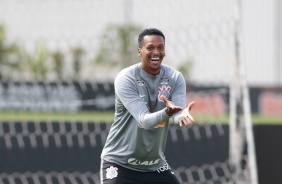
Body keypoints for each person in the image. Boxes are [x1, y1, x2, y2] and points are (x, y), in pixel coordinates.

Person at [100, 28, 195, 184]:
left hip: (155, 166)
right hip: (120, 163)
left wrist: (181, 117)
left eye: (160, 47)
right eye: (150, 47)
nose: (156, 52)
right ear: (140, 51)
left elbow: (177, 113)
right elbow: (145, 120)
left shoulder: (175, 78)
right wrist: (167, 113)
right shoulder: (126, 78)